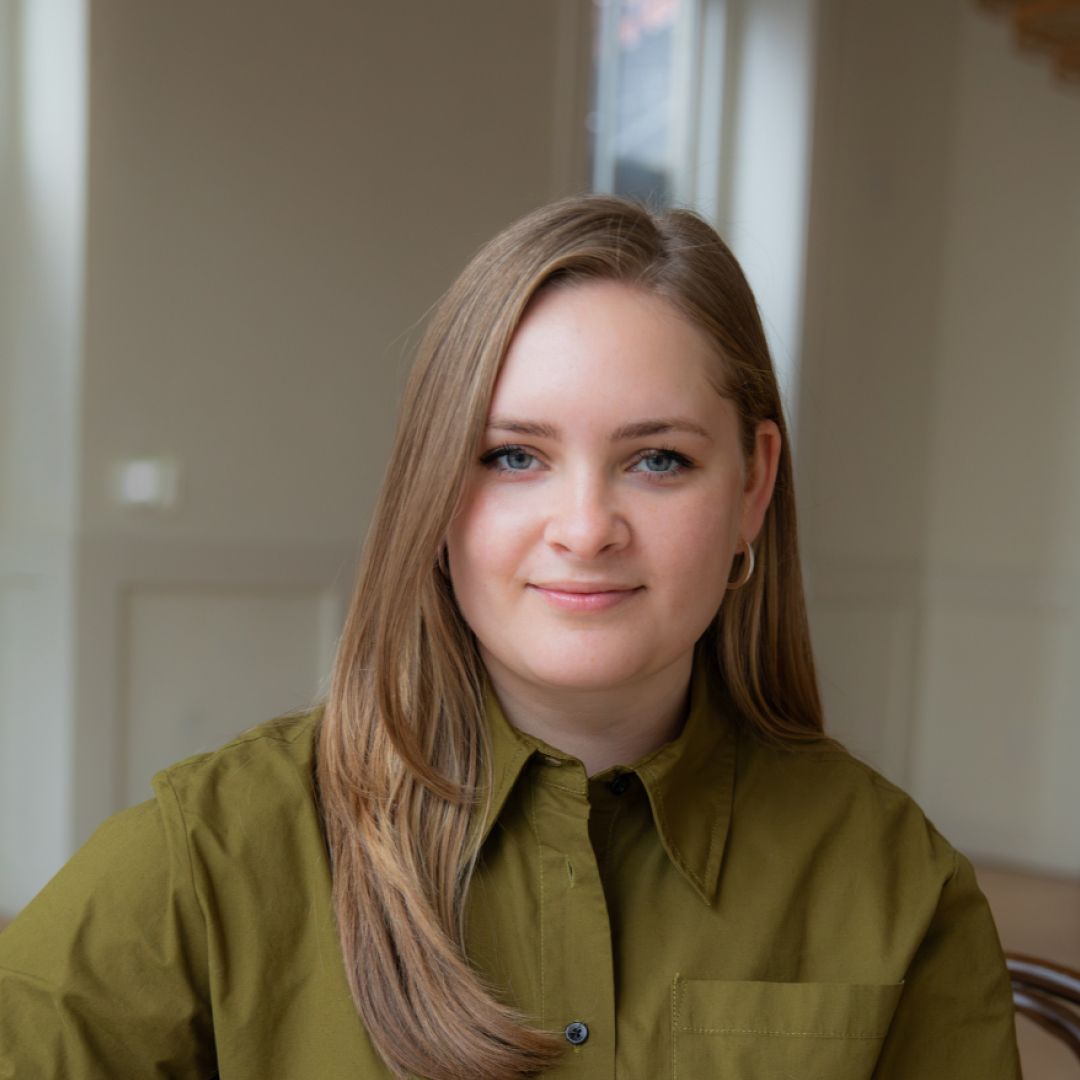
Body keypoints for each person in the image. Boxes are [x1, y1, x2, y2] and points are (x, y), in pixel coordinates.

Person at [0, 195, 1021, 1079]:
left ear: (753, 486)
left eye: (658, 460)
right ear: (434, 492)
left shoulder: (897, 881)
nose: (584, 528)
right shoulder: (212, 856)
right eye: (513, 457)